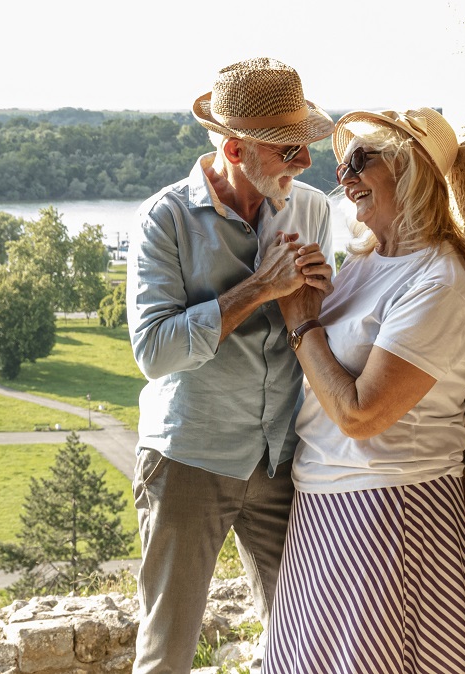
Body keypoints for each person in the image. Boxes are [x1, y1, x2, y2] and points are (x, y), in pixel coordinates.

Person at [126, 57, 335, 674]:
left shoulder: (313, 210)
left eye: (306, 144)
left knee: (302, 643)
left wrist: (318, 299)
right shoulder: (163, 220)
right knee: (167, 654)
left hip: (283, 459)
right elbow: (154, 352)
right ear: (237, 150)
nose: (305, 161)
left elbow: (316, 327)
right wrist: (256, 291)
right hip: (189, 458)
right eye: (289, 149)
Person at [263, 107, 465, 673]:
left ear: (410, 171)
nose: (345, 175)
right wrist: (309, 292)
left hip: (389, 508)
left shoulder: (437, 284)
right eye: (342, 164)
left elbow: (361, 414)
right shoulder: (367, 263)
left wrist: (301, 319)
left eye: (361, 159)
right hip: (324, 502)